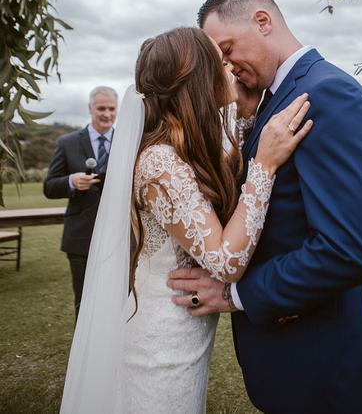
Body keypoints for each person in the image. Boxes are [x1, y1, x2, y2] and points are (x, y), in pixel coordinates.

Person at [167, 0, 362, 414]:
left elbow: (347, 250)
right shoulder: (272, 100)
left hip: (323, 361)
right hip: (293, 357)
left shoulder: (327, 94)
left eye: (228, 48)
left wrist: (235, 295)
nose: (226, 67)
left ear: (263, 21)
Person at [59, 27, 312, 414]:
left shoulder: (184, 148)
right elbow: (226, 261)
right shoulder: (159, 164)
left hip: (185, 328)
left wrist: (245, 121)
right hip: (162, 342)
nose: (229, 67)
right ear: (199, 81)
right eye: (219, 61)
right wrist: (265, 163)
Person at [44, 86, 118, 318]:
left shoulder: (128, 142)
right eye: (101, 108)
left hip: (119, 237)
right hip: (80, 238)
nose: (106, 114)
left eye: (111, 108)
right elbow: (49, 187)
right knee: (84, 302)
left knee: (118, 300)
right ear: (90, 109)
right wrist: (71, 182)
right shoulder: (67, 142)